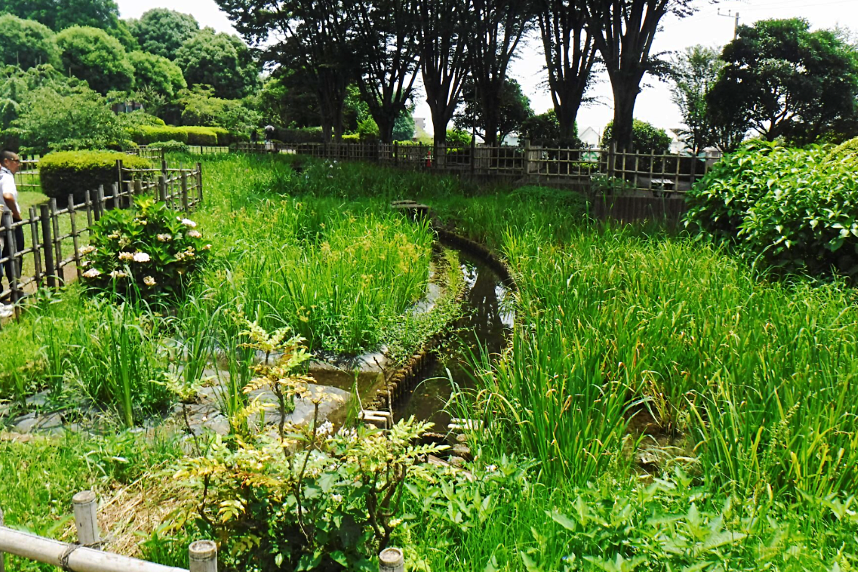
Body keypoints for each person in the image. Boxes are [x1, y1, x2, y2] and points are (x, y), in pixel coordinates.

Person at [0, 149, 24, 311]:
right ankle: (15, 288)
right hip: (9, 218)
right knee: (14, 254)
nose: (18, 164)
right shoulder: (6, 176)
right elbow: (7, 196)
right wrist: (16, 215)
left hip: (1, 217)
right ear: (6, 161)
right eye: (16, 160)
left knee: (5, 254)